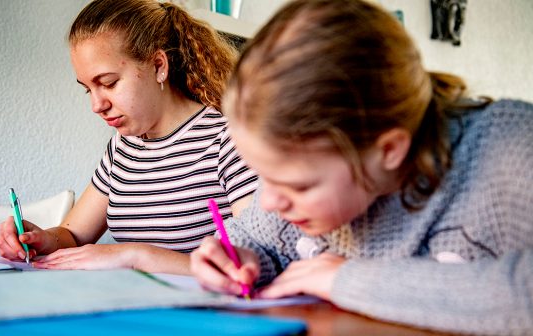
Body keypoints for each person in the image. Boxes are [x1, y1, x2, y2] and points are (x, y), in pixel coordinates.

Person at [189, 0, 533, 334]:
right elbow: (254, 237)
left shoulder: (508, 145)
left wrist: (346, 279)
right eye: (264, 176)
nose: (269, 201)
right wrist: (237, 259)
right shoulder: (295, 180)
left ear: (389, 150)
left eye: (300, 186)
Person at [0, 0, 257, 275]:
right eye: (88, 89)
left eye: (108, 83)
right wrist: (43, 238)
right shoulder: (122, 148)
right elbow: (73, 236)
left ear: (159, 66)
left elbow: (253, 261)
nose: (96, 105)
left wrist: (135, 255)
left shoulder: (228, 139)